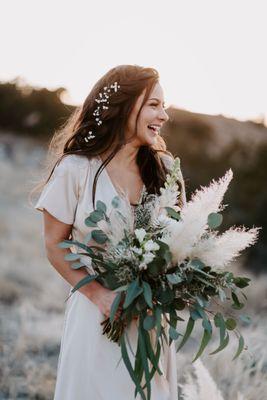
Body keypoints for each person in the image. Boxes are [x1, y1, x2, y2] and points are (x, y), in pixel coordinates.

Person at [34, 64, 186, 400]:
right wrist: (100, 297)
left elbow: (181, 242)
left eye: (165, 106)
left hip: (150, 322)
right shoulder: (76, 170)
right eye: (154, 105)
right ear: (124, 105)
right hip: (96, 318)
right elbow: (53, 243)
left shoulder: (164, 172)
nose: (163, 115)